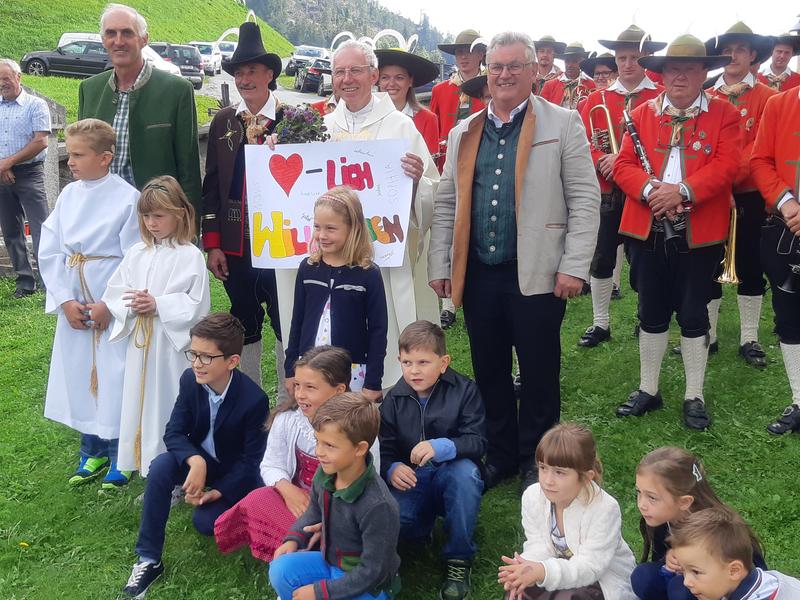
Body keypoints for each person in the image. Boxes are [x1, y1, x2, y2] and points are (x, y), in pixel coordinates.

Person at [428, 31, 600, 491]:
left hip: (539, 270)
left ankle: (539, 457)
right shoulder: (464, 131)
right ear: (486, 73)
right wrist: (442, 265)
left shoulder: (563, 123)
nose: (503, 75)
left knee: (540, 368)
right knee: (489, 368)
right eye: (496, 67)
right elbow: (448, 202)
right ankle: (500, 452)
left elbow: (585, 198)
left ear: (532, 71)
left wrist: (574, 265)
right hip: (481, 272)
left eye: (513, 66)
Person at [276, 39, 440, 395]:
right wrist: (278, 149)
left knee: (383, 327)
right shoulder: (318, 126)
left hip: (381, 261)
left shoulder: (400, 128)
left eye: (355, 71)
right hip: (328, 265)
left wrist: (414, 184)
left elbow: (432, 192)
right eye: (339, 72)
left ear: (374, 75)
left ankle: (386, 392)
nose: (346, 79)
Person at [612, 35, 740, 431]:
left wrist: (682, 191)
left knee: (692, 311)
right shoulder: (641, 113)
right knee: (650, 309)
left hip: (698, 230)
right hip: (647, 226)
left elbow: (729, 163)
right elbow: (622, 166)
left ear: (705, 73)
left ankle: (694, 394)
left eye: (689, 68)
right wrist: (653, 191)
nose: (679, 76)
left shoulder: (724, 113)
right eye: (672, 68)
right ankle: (649, 389)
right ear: (662, 74)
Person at [121, 313, 269, 598]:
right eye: (194, 354)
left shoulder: (254, 400)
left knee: (206, 524)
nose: (196, 363)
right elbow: (174, 432)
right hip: (204, 461)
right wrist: (195, 461)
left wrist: (218, 492)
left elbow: (252, 463)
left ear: (232, 362)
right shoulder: (191, 380)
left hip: (234, 472)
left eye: (206, 357)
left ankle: (247, 515)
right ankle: (149, 559)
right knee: (162, 465)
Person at [38, 118, 140, 488]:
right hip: (75, 295)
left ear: (106, 157)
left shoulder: (128, 198)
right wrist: (65, 299)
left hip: (107, 296)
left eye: (79, 155)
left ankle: (121, 453)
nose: (71, 162)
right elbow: (50, 249)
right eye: (71, 154)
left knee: (114, 373)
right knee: (83, 373)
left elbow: (134, 256)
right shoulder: (69, 196)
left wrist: (110, 305)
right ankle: (91, 447)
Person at [215, 345, 380, 561]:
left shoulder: (360, 426)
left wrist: (326, 516)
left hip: (341, 511)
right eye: (297, 385)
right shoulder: (289, 420)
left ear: (339, 390)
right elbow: (270, 464)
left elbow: (367, 483)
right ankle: (298, 547)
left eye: (310, 387)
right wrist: (287, 490)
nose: (300, 395)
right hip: (297, 502)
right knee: (258, 498)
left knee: (334, 536)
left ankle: (308, 550)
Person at [103, 176, 210, 479]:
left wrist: (159, 305)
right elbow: (115, 293)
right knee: (141, 403)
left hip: (169, 350)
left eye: (159, 215)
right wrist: (132, 305)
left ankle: (175, 471)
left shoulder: (189, 256)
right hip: (141, 345)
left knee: (168, 404)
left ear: (180, 213)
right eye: (146, 216)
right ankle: (145, 462)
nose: (151, 222)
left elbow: (197, 304)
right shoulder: (137, 253)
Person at [201, 20, 287, 394]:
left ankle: (290, 399)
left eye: (252, 70)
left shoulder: (296, 119)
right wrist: (213, 243)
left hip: (284, 244)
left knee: (288, 320)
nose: (244, 78)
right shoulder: (223, 120)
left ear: (270, 74)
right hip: (238, 245)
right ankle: (250, 398)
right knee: (244, 321)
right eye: (239, 72)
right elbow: (211, 189)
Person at [380, 320, 486, 600]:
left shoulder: (465, 390)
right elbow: (383, 449)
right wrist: (391, 468)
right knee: (400, 522)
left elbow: (478, 441)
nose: (414, 370)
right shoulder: (394, 398)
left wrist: (444, 446)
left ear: (444, 362)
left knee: (465, 476)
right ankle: (420, 531)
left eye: (423, 362)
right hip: (413, 480)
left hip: (452, 472)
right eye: (406, 362)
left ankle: (458, 559)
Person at [577, 25, 665, 348]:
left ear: (647, 58)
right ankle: (600, 322)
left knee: (643, 261)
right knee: (601, 256)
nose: (628, 64)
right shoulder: (596, 99)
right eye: (622, 57)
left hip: (644, 193)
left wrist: (627, 165)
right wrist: (602, 157)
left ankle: (647, 319)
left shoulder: (658, 98)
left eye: (635, 58)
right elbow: (583, 141)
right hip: (606, 189)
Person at [269, 393, 401, 600]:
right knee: (281, 570)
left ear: (360, 449)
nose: (319, 452)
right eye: (317, 441)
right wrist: (294, 538)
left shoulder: (378, 505)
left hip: (366, 583)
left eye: (329, 445)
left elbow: (373, 570)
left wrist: (320, 592)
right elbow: (313, 510)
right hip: (329, 562)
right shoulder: (325, 474)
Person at [78, 4, 201, 210]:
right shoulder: (89, 89)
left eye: (127, 33)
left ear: (144, 39)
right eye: (111, 33)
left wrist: (190, 225)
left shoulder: (177, 90)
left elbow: (188, 167)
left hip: (156, 218)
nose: (118, 41)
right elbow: (81, 155)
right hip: (100, 213)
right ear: (103, 41)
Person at [704, 22, 777, 367]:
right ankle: (708, 334)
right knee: (706, 263)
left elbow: (759, 148)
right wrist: (716, 185)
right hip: (709, 193)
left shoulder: (767, 97)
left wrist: (728, 182)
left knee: (750, 263)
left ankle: (749, 336)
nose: (732, 56)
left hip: (747, 193)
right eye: (727, 49)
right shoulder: (706, 95)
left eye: (740, 49)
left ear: (752, 56)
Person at [497, 423, 636, 600]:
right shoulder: (532, 496)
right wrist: (526, 568)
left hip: (601, 580)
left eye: (559, 472)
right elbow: (538, 544)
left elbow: (590, 567)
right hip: (557, 569)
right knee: (516, 591)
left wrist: (542, 572)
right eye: (543, 468)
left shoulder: (605, 509)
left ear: (586, 477)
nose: (547, 481)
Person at [283, 187, 388, 400]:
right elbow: (297, 321)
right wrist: (290, 369)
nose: (322, 235)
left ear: (353, 229)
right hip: (308, 367)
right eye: (317, 227)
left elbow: (378, 331)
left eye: (331, 228)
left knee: (346, 428)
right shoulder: (307, 268)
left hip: (352, 371)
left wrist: (373, 381)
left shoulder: (368, 275)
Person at [631, 447, 767, 600]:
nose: (642, 504)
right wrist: (667, 561)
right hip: (688, 581)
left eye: (652, 497)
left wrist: (691, 565)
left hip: (719, 589)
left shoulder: (719, 528)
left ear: (684, 502)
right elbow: (660, 561)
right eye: (639, 492)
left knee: (679, 589)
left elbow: (752, 575)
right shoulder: (661, 520)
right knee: (643, 576)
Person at [751, 82, 800, 434]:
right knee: (789, 318)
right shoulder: (780, 103)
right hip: (786, 225)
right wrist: (788, 202)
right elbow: (761, 160)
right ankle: (799, 400)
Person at [430, 30, 487, 329]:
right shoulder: (441, 90)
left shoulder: (487, 88)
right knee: (449, 228)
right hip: (447, 168)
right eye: (458, 51)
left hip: (479, 170)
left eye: (470, 50)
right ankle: (448, 304)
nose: (463, 56)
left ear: (481, 55)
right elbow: (437, 125)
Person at [0, 58, 51, 298]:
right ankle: (25, 283)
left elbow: (41, 141)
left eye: (5, 78)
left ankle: (49, 281)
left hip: (30, 173)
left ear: (18, 77)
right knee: (11, 229)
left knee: (41, 227)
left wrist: (9, 162)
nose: (2, 83)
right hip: (1, 174)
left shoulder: (35, 105)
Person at [670, 508, 800, 600]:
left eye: (696, 572)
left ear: (734, 571)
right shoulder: (761, 582)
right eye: (683, 571)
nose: (686, 582)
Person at [376, 48, 441, 156]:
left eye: (399, 78)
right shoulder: (367, 116)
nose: (391, 83)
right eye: (385, 77)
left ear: (410, 81)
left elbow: (430, 165)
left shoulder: (427, 119)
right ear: (378, 81)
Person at [540, 42, 596, 110]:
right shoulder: (549, 85)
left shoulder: (592, 85)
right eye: (567, 61)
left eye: (574, 61)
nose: (570, 65)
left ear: (582, 62)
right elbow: (542, 110)